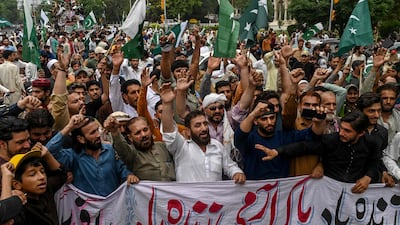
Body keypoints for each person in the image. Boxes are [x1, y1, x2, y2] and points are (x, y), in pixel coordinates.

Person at [257, 111, 381, 193]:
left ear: (361, 133)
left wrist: (368, 177)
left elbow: (375, 162)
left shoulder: (372, 143)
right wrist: (278, 152)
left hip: (355, 192)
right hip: (328, 190)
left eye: (347, 131)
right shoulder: (332, 140)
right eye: (341, 128)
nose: (341, 133)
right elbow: (305, 147)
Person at [160, 83, 246, 183]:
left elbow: (229, 166)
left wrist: (237, 173)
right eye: (197, 125)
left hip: (215, 197)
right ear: (188, 131)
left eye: (205, 124)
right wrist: (167, 104)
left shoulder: (217, 146)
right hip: (189, 198)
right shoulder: (181, 147)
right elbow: (169, 133)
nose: (204, 128)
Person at [234, 96, 327, 180]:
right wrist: (253, 114)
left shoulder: (285, 136)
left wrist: (319, 122)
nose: (269, 122)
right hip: (255, 192)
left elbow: (312, 134)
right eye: (264, 119)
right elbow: (239, 136)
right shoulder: (250, 139)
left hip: (281, 192)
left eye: (272, 118)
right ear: (255, 121)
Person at [46, 115, 139, 196]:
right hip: (87, 211)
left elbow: (121, 169)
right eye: (92, 133)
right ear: (81, 139)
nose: (98, 135)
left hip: (112, 208)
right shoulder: (73, 156)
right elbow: (49, 151)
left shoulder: (109, 149)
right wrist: (69, 127)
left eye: (97, 130)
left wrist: (129, 175)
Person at [7, 144, 66, 225]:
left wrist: (47, 154)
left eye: (42, 171)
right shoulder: (20, 209)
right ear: (17, 184)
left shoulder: (46, 191)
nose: (41, 177)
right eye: (32, 174)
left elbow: (61, 175)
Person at [104, 115, 175, 181]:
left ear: (150, 129)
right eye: (138, 133)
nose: (143, 135)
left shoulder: (163, 146)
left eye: (145, 130)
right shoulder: (132, 155)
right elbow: (121, 148)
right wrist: (114, 131)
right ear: (130, 137)